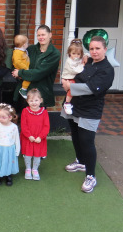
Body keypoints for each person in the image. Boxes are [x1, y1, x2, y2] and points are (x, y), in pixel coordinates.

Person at [61, 36, 114, 193]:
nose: (94, 51)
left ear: (105, 49)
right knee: (76, 135)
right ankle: (81, 161)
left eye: (98, 48)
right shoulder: (88, 61)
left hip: (90, 110)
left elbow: (92, 88)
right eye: (91, 48)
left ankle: (91, 175)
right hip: (75, 105)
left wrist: (69, 86)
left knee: (87, 141)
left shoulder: (107, 70)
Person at [12, 25, 60, 109]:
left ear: (50, 35)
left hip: (41, 94)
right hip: (26, 93)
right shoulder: (31, 49)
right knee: (24, 120)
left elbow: (39, 73)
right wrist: (17, 72)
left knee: (38, 121)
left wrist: (20, 73)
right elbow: (19, 61)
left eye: (43, 35)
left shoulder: (54, 54)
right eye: (39, 35)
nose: (41, 37)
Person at [20, 89, 50, 181]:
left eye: (36, 100)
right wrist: (29, 136)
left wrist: (40, 137)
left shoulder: (44, 112)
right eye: (31, 100)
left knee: (37, 155)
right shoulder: (25, 111)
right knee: (28, 154)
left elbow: (46, 126)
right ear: (27, 101)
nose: (34, 103)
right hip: (28, 138)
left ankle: (35, 169)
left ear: (41, 100)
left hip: (39, 139)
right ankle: (28, 168)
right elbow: (23, 125)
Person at [0, 103, 20, 186]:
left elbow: (17, 139)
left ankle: (8, 175)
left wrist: (17, 150)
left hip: (10, 148)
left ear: (10, 117)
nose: (0, 119)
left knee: (8, 161)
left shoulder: (14, 127)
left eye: (3, 117)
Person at [62, 38, 87, 115]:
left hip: (73, 77)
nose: (76, 56)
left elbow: (87, 54)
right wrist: (82, 65)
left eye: (78, 54)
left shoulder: (79, 58)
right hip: (68, 78)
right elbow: (75, 70)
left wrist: (86, 56)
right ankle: (67, 103)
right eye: (74, 53)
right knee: (72, 88)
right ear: (69, 53)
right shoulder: (69, 61)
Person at [13, 34, 31, 99]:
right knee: (28, 78)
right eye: (27, 43)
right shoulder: (17, 52)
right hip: (22, 69)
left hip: (24, 69)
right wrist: (25, 68)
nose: (27, 44)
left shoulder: (23, 51)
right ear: (24, 44)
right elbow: (17, 62)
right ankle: (23, 89)